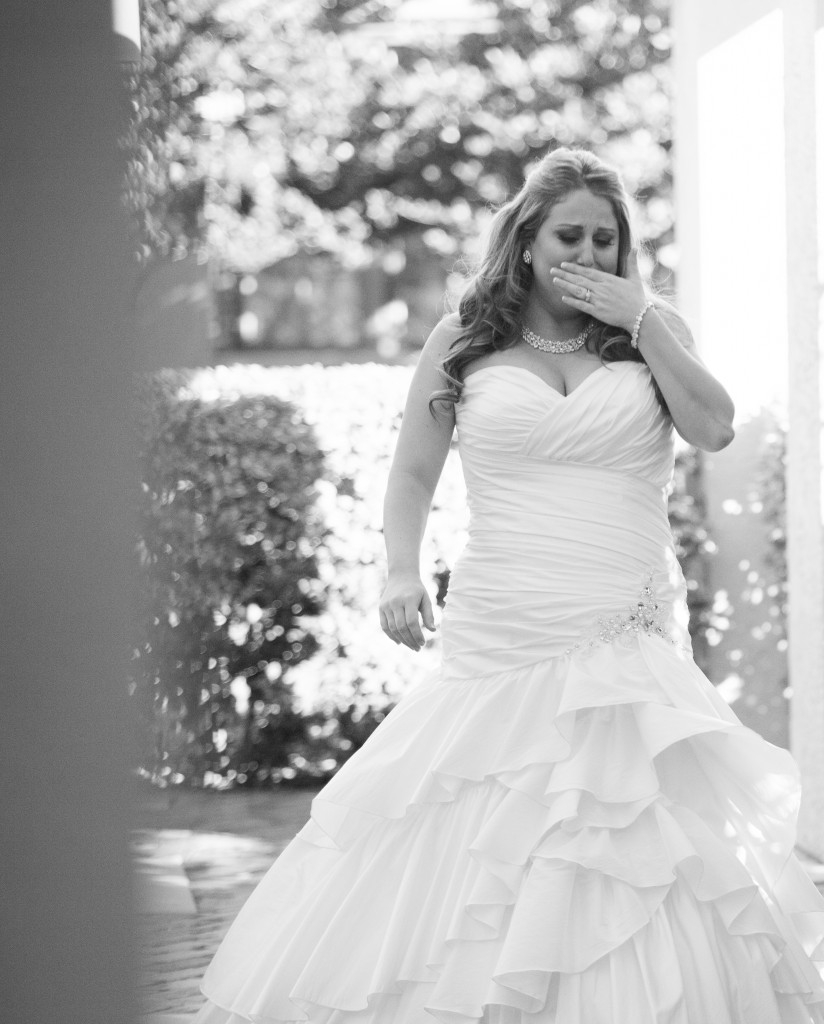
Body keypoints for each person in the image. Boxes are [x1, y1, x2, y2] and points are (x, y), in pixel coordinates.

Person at [193, 148, 824, 1023]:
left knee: (625, 823)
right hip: (505, 615)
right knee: (479, 814)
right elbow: (412, 474)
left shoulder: (650, 329)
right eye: (571, 234)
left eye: (608, 239)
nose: (592, 253)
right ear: (526, 240)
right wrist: (400, 570)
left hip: (625, 618)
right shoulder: (465, 337)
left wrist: (644, 320)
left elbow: (713, 427)